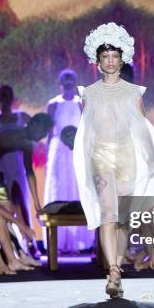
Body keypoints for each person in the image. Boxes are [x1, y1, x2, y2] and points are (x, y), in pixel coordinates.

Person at [73, 23, 154, 298]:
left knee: (124, 219)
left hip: (127, 157)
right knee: (107, 214)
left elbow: (142, 128)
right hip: (101, 156)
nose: (111, 61)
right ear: (98, 61)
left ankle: (117, 265)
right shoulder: (88, 93)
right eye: (106, 57)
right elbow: (87, 130)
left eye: (115, 56)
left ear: (121, 58)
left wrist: (150, 162)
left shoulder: (134, 92)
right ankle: (113, 271)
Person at [0, 113, 53, 265]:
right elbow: (29, 172)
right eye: (44, 131)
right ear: (34, 125)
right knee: (6, 210)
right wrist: (38, 207)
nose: (43, 136)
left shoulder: (21, 135)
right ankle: (15, 255)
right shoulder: (20, 136)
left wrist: (38, 206)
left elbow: (30, 172)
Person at [0, 85, 38, 256]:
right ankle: (6, 244)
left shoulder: (20, 116)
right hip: (0, 165)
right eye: (2, 95)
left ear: (12, 98)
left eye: (8, 95)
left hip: (17, 164)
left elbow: (35, 128)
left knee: (22, 205)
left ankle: (31, 243)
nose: (5, 98)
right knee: (3, 206)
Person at [44, 69, 92, 253]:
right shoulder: (53, 104)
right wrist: (49, 156)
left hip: (76, 150)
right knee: (59, 189)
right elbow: (49, 132)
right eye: (65, 80)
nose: (69, 83)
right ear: (60, 83)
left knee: (76, 190)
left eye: (71, 79)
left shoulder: (81, 103)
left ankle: (78, 241)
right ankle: (58, 241)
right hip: (59, 151)